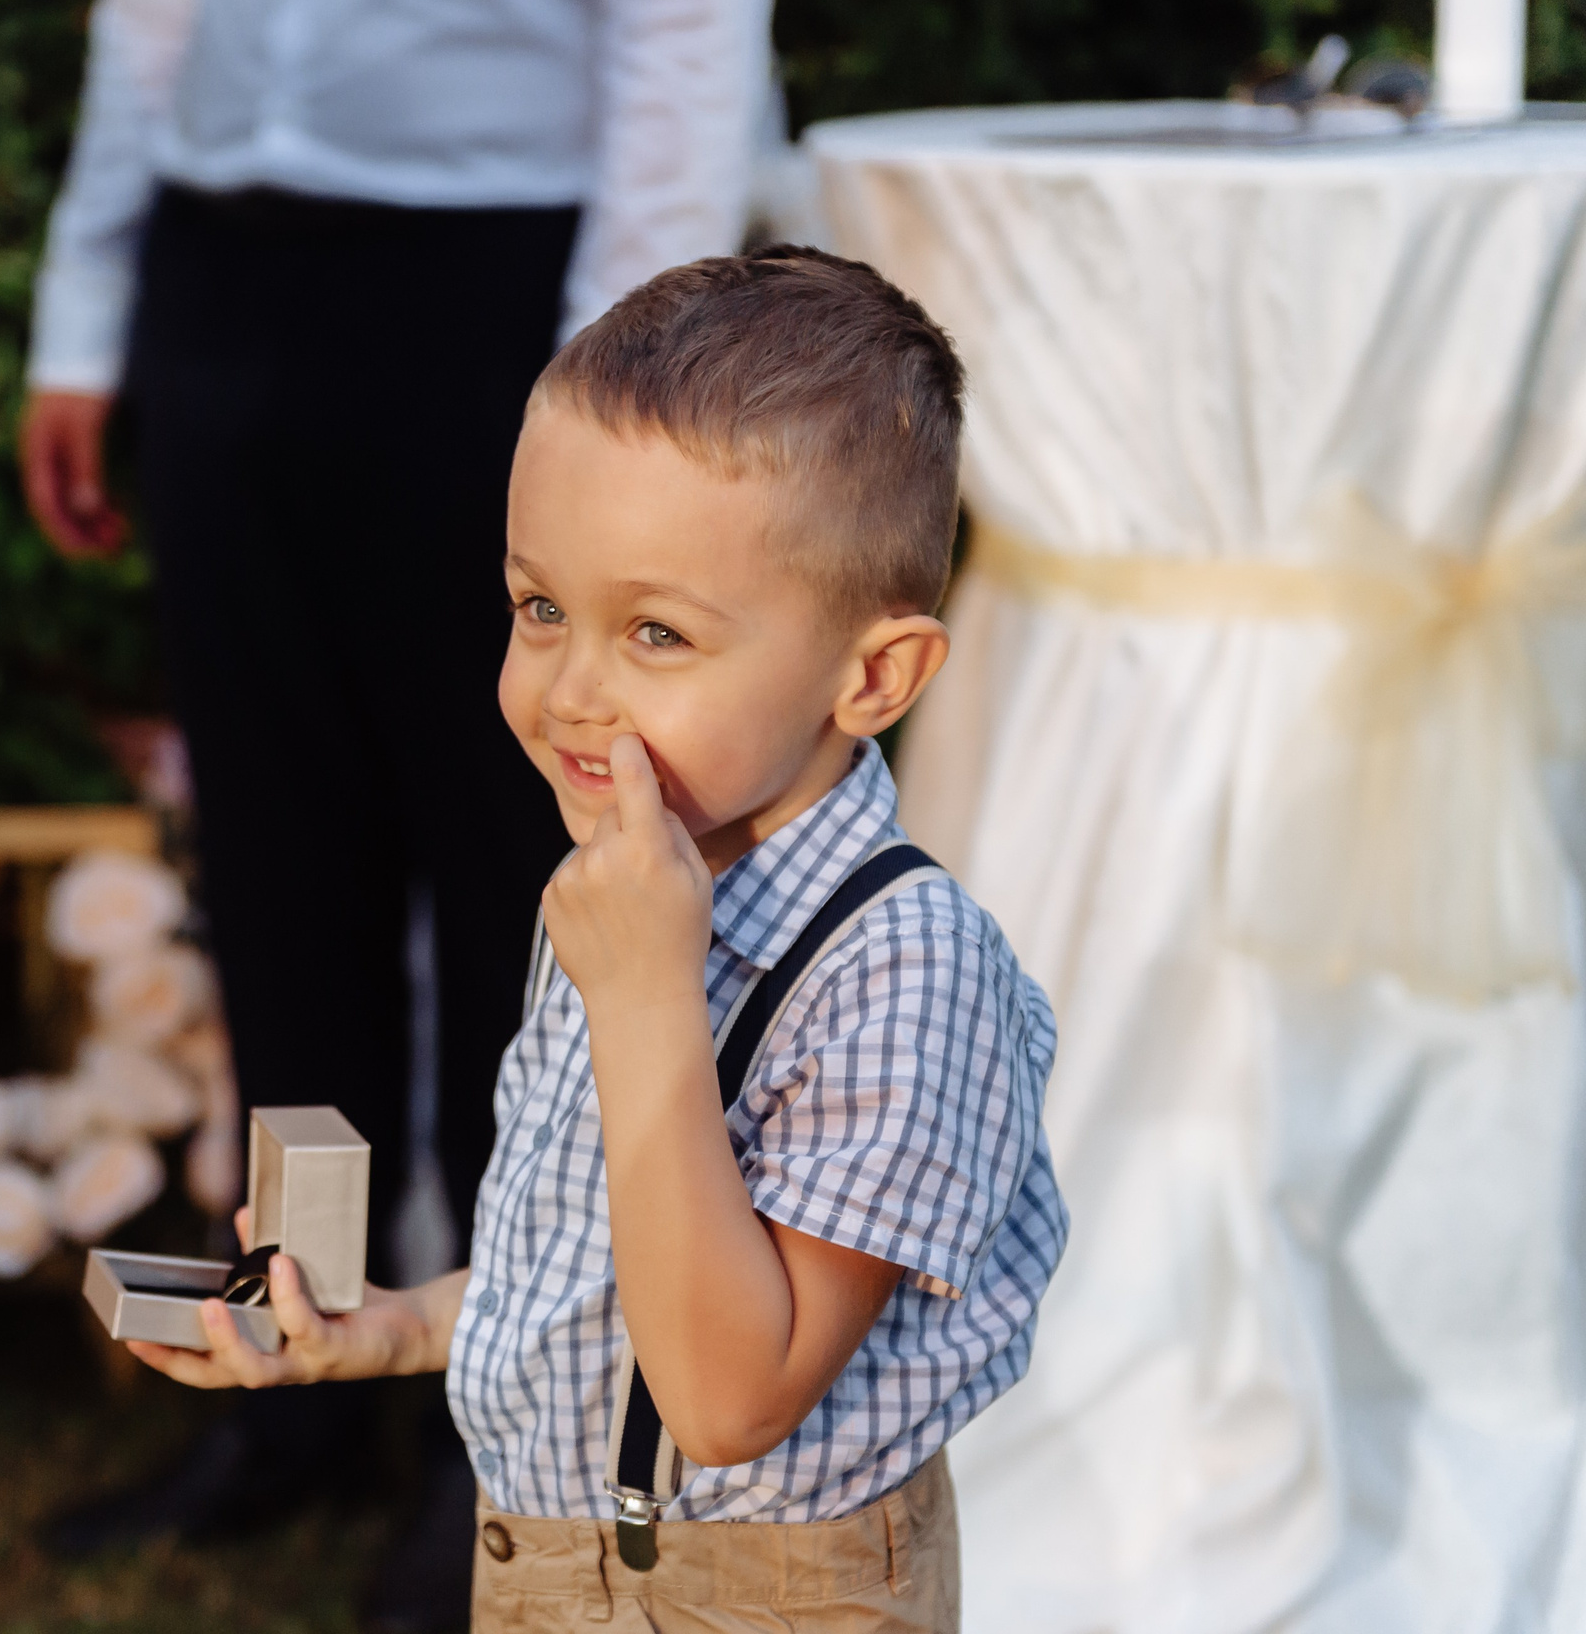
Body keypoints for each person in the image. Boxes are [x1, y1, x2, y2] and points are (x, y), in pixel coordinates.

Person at [124, 249, 1069, 1632]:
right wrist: (392, 1326)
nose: (571, 689)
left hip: (759, 1597)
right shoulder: (629, 887)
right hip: (551, 1564)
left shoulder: (906, 972)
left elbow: (733, 1397)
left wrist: (646, 1005)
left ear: (874, 676)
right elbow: (590, 1263)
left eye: (658, 634)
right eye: (541, 607)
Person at [20, 0, 782, 1618]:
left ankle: (501, 1427)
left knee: (522, 888)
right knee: (280, 879)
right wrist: (86, 310)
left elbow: (687, 3)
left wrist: (617, 396)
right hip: (223, 275)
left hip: (495, 286)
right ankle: (295, 1382)